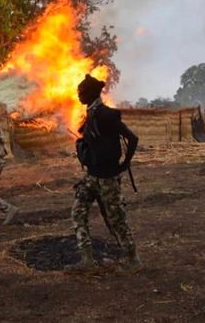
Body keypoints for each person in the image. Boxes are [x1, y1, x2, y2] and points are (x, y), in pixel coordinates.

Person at [66, 74, 142, 273]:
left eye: (81, 92)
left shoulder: (107, 115)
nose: (78, 95)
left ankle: (132, 259)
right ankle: (87, 259)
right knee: (77, 212)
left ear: (90, 94)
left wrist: (125, 163)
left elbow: (132, 138)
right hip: (92, 176)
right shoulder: (91, 114)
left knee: (117, 219)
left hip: (107, 178)